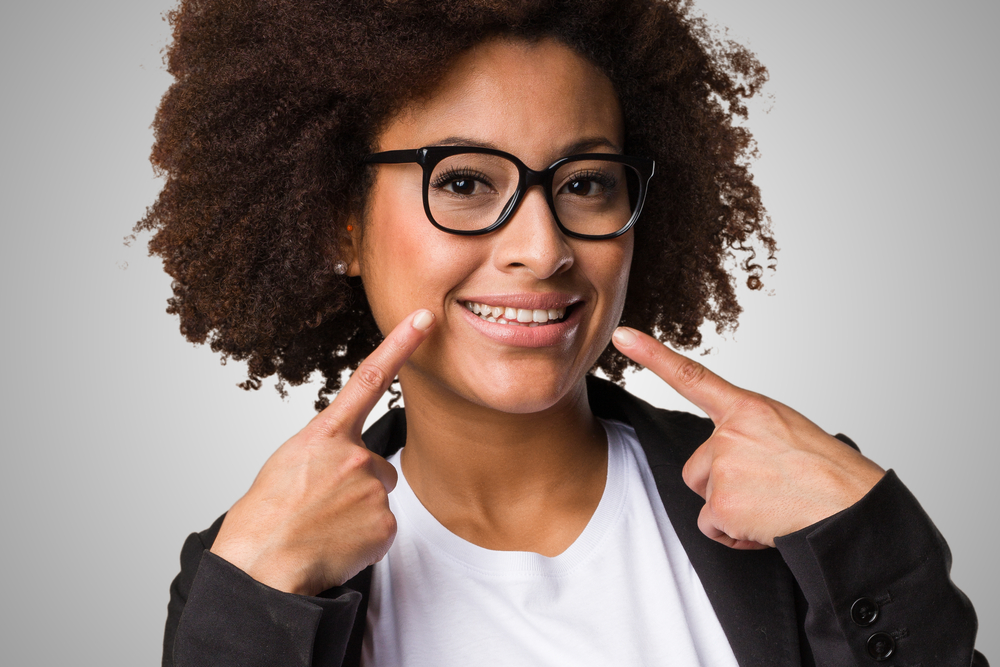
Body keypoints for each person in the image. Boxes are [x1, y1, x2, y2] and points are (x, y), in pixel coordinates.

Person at [140, 1, 985, 665]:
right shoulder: (258, 568)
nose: (543, 248)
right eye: (465, 180)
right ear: (339, 225)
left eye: (585, 183)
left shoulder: (791, 521)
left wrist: (861, 535)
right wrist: (252, 609)